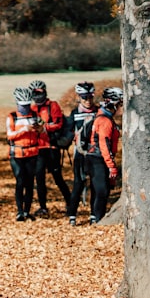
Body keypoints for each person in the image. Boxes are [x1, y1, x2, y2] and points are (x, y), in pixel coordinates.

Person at [29, 79, 71, 217]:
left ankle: (70, 203)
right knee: (39, 177)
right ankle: (43, 207)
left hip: (52, 146)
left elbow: (58, 123)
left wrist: (44, 128)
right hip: (38, 148)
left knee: (57, 177)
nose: (37, 96)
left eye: (39, 93)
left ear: (45, 92)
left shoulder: (52, 105)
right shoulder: (32, 109)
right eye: (34, 93)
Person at [86, 87, 123, 225]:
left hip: (95, 158)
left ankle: (94, 217)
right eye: (120, 104)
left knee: (97, 190)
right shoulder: (105, 120)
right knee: (102, 191)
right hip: (98, 159)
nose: (121, 108)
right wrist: (111, 166)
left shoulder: (103, 115)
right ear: (114, 104)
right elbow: (104, 145)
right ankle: (97, 219)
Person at [7, 86, 41, 221]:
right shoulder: (12, 117)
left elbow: (43, 130)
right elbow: (10, 135)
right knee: (20, 180)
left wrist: (39, 128)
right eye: (23, 106)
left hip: (32, 153)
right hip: (17, 154)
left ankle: (27, 211)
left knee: (30, 183)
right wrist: (25, 129)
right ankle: (19, 211)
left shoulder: (34, 115)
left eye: (27, 105)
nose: (26, 108)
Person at [66, 82, 97, 226]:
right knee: (78, 184)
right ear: (79, 97)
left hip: (96, 154)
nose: (88, 100)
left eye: (90, 97)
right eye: (84, 97)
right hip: (79, 154)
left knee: (95, 185)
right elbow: (67, 131)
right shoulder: (75, 113)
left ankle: (94, 214)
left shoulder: (98, 111)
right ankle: (72, 215)